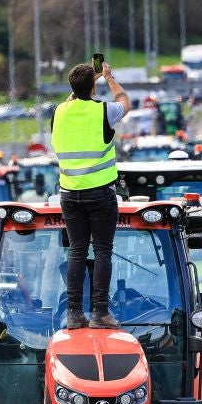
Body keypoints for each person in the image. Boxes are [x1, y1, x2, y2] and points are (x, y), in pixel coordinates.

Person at [52, 61, 131, 329]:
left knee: (76, 251)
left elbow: (70, 101)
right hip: (99, 194)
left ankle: (74, 313)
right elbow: (125, 102)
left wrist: (83, 86)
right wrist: (109, 78)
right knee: (102, 252)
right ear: (92, 86)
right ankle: (100, 313)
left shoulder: (59, 112)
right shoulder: (103, 111)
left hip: (69, 194)